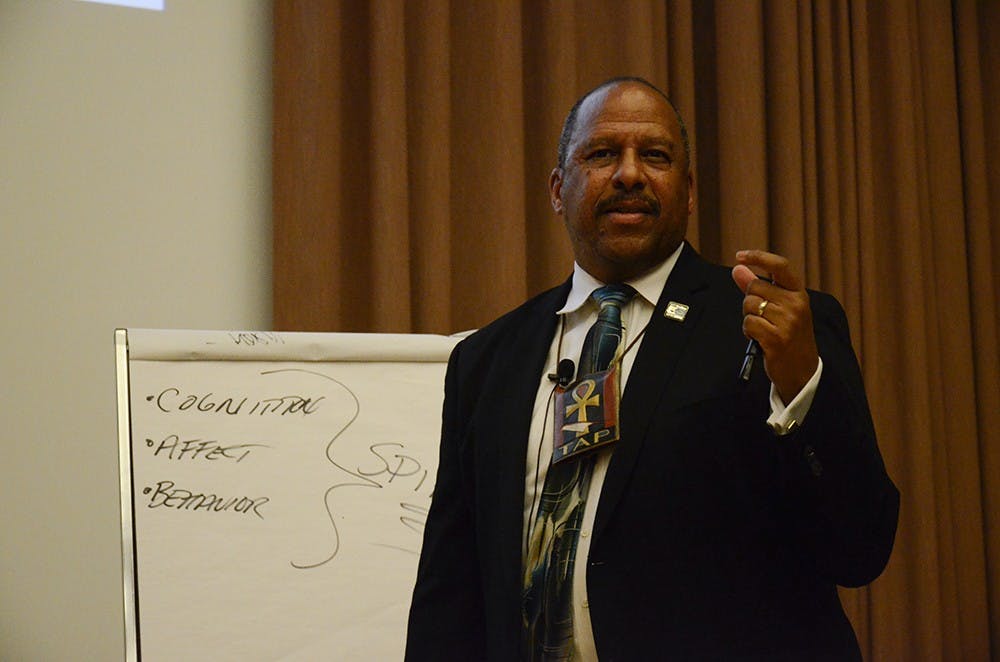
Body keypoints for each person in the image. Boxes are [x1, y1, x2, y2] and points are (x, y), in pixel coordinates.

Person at [405, 76, 899, 660]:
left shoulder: (770, 326)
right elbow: (450, 593)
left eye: (655, 156)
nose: (630, 174)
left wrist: (800, 392)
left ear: (688, 191)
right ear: (559, 189)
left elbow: (859, 548)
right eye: (603, 153)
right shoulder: (486, 362)